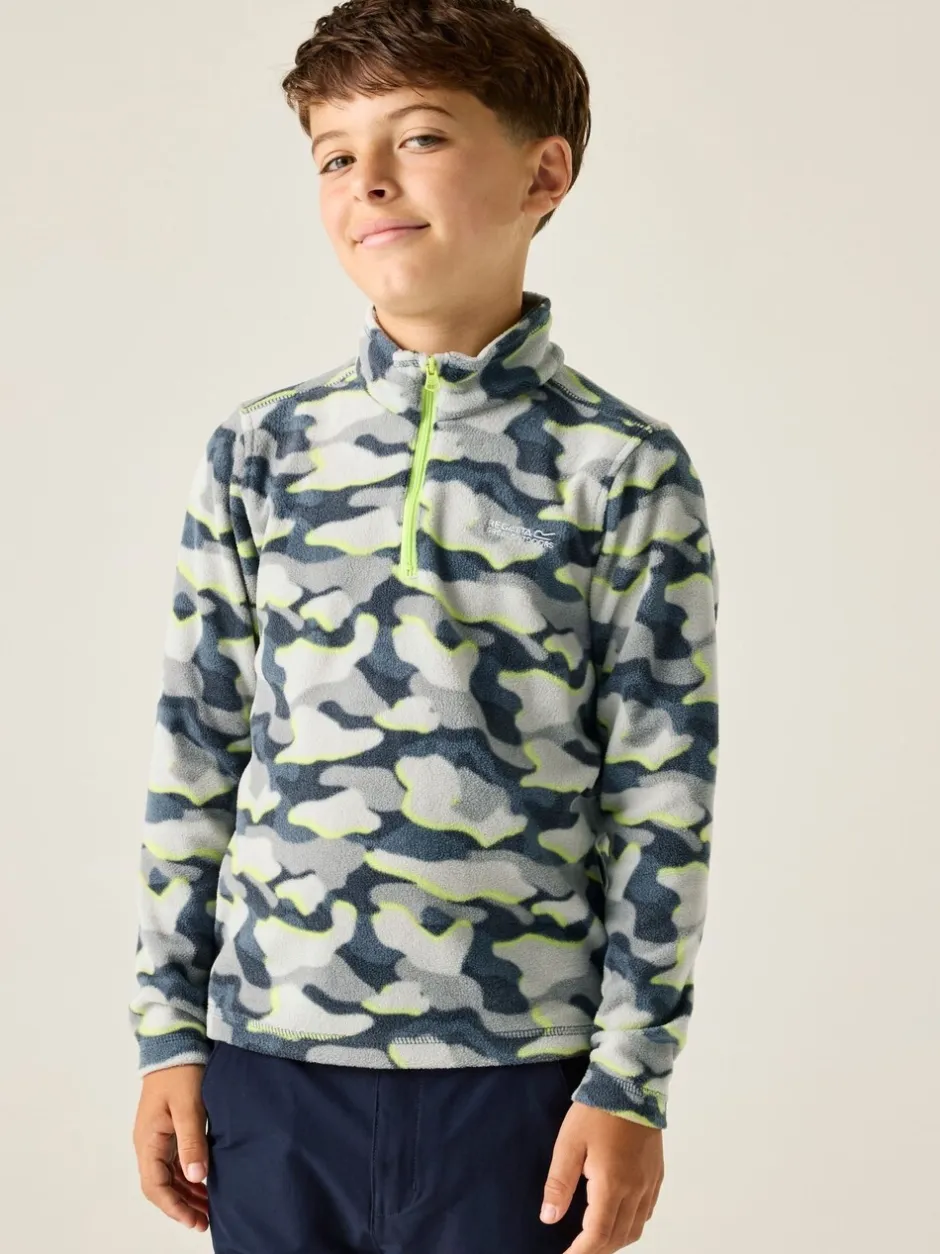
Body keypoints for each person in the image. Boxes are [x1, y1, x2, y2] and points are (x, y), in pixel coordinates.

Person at [128, 2, 720, 1251]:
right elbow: (196, 752)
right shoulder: (260, 450)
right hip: (270, 1065)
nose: (370, 181)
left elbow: (661, 793)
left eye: (421, 138)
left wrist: (630, 1078)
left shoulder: (621, 467)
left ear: (542, 174)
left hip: (521, 1081)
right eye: (335, 155)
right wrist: (167, 1035)